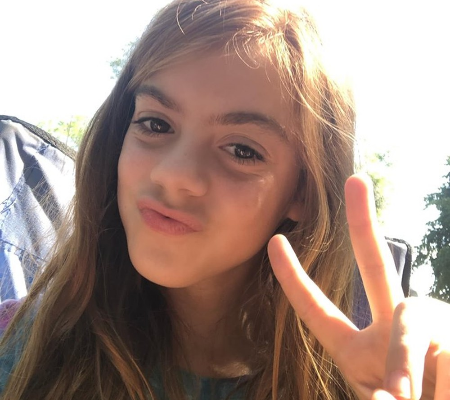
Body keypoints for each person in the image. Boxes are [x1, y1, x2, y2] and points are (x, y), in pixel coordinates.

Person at [0, 0, 448, 399]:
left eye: (241, 150)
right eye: (155, 124)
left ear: (303, 192)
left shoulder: (360, 380)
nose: (173, 174)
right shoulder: (18, 348)